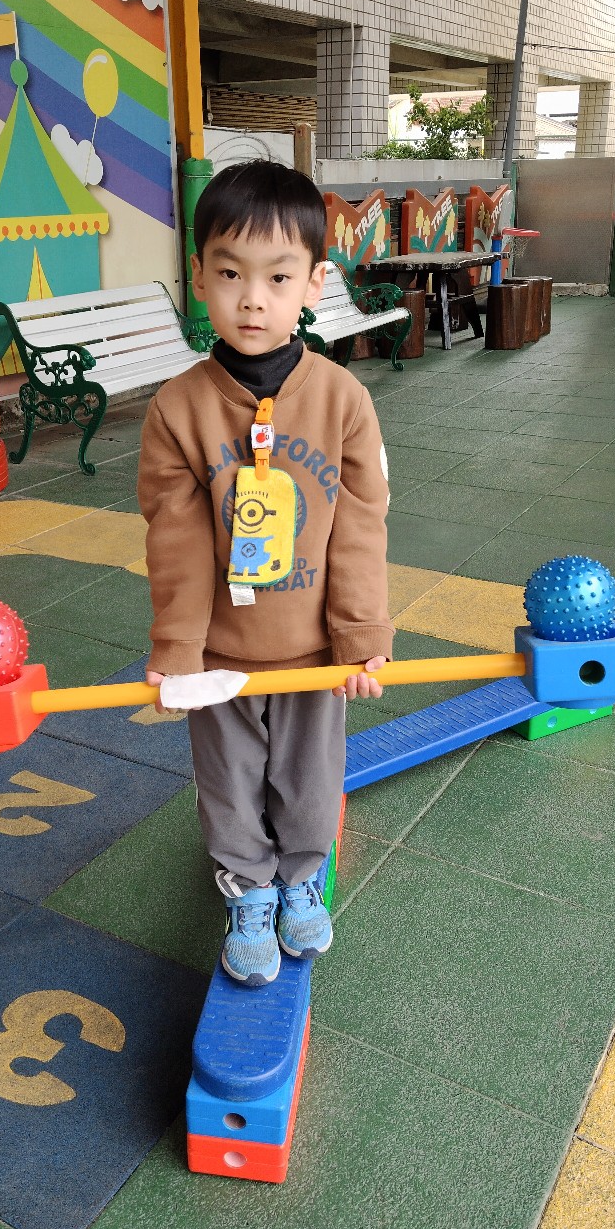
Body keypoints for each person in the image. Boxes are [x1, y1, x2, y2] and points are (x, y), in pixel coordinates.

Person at [138, 160, 392, 987]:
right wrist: (179, 651)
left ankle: (300, 878)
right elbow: (175, 539)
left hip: (314, 651)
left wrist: (359, 636)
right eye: (230, 274)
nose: (252, 300)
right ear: (199, 277)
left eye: (278, 278)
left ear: (315, 282)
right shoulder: (179, 407)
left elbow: (360, 525)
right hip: (221, 656)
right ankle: (248, 886)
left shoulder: (343, 400)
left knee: (311, 782)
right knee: (228, 781)